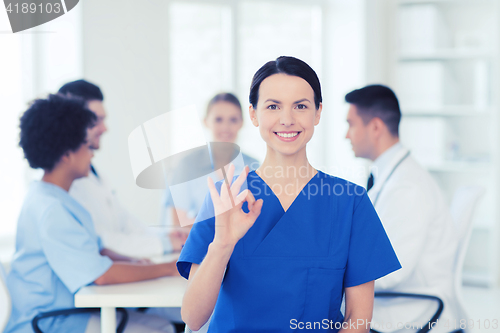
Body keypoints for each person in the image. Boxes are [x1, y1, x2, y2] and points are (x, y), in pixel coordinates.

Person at [177, 56, 401, 332]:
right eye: (273, 106)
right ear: (254, 114)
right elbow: (193, 317)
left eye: (301, 106)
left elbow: (357, 319)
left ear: (317, 113)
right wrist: (222, 244)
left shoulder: (350, 203)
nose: (287, 119)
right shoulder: (225, 197)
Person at [5, 94, 177, 333]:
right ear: (66, 155)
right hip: (51, 321)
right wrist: (168, 268)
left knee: (164, 325)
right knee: (162, 330)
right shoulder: (52, 209)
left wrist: (131, 261)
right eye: (86, 146)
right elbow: (102, 276)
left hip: (67, 312)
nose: (92, 154)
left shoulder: (54, 197)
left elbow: (96, 249)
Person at [345, 84, 461, 333]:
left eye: (351, 124)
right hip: (403, 302)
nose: (347, 135)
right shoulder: (393, 175)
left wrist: (336, 269)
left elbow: (391, 271)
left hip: (411, 310)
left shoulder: (407, 187)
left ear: (375, 127)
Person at [58, 79, 185, 258]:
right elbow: (100, 241)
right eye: (96, 120)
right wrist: (164, 244)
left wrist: (163, 237)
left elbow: (124, 222)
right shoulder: (66, 181)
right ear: (73, 121)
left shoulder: (94, 173)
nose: (104, 128)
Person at [161, 92, 259, 228]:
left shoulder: (254, 166)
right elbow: (178, 225)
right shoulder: (187, 165)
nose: (226, 127)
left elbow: (257, 218)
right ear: (206, 122)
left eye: (233, 120)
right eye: (218, 119)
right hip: (198, 245)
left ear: (241, 123)